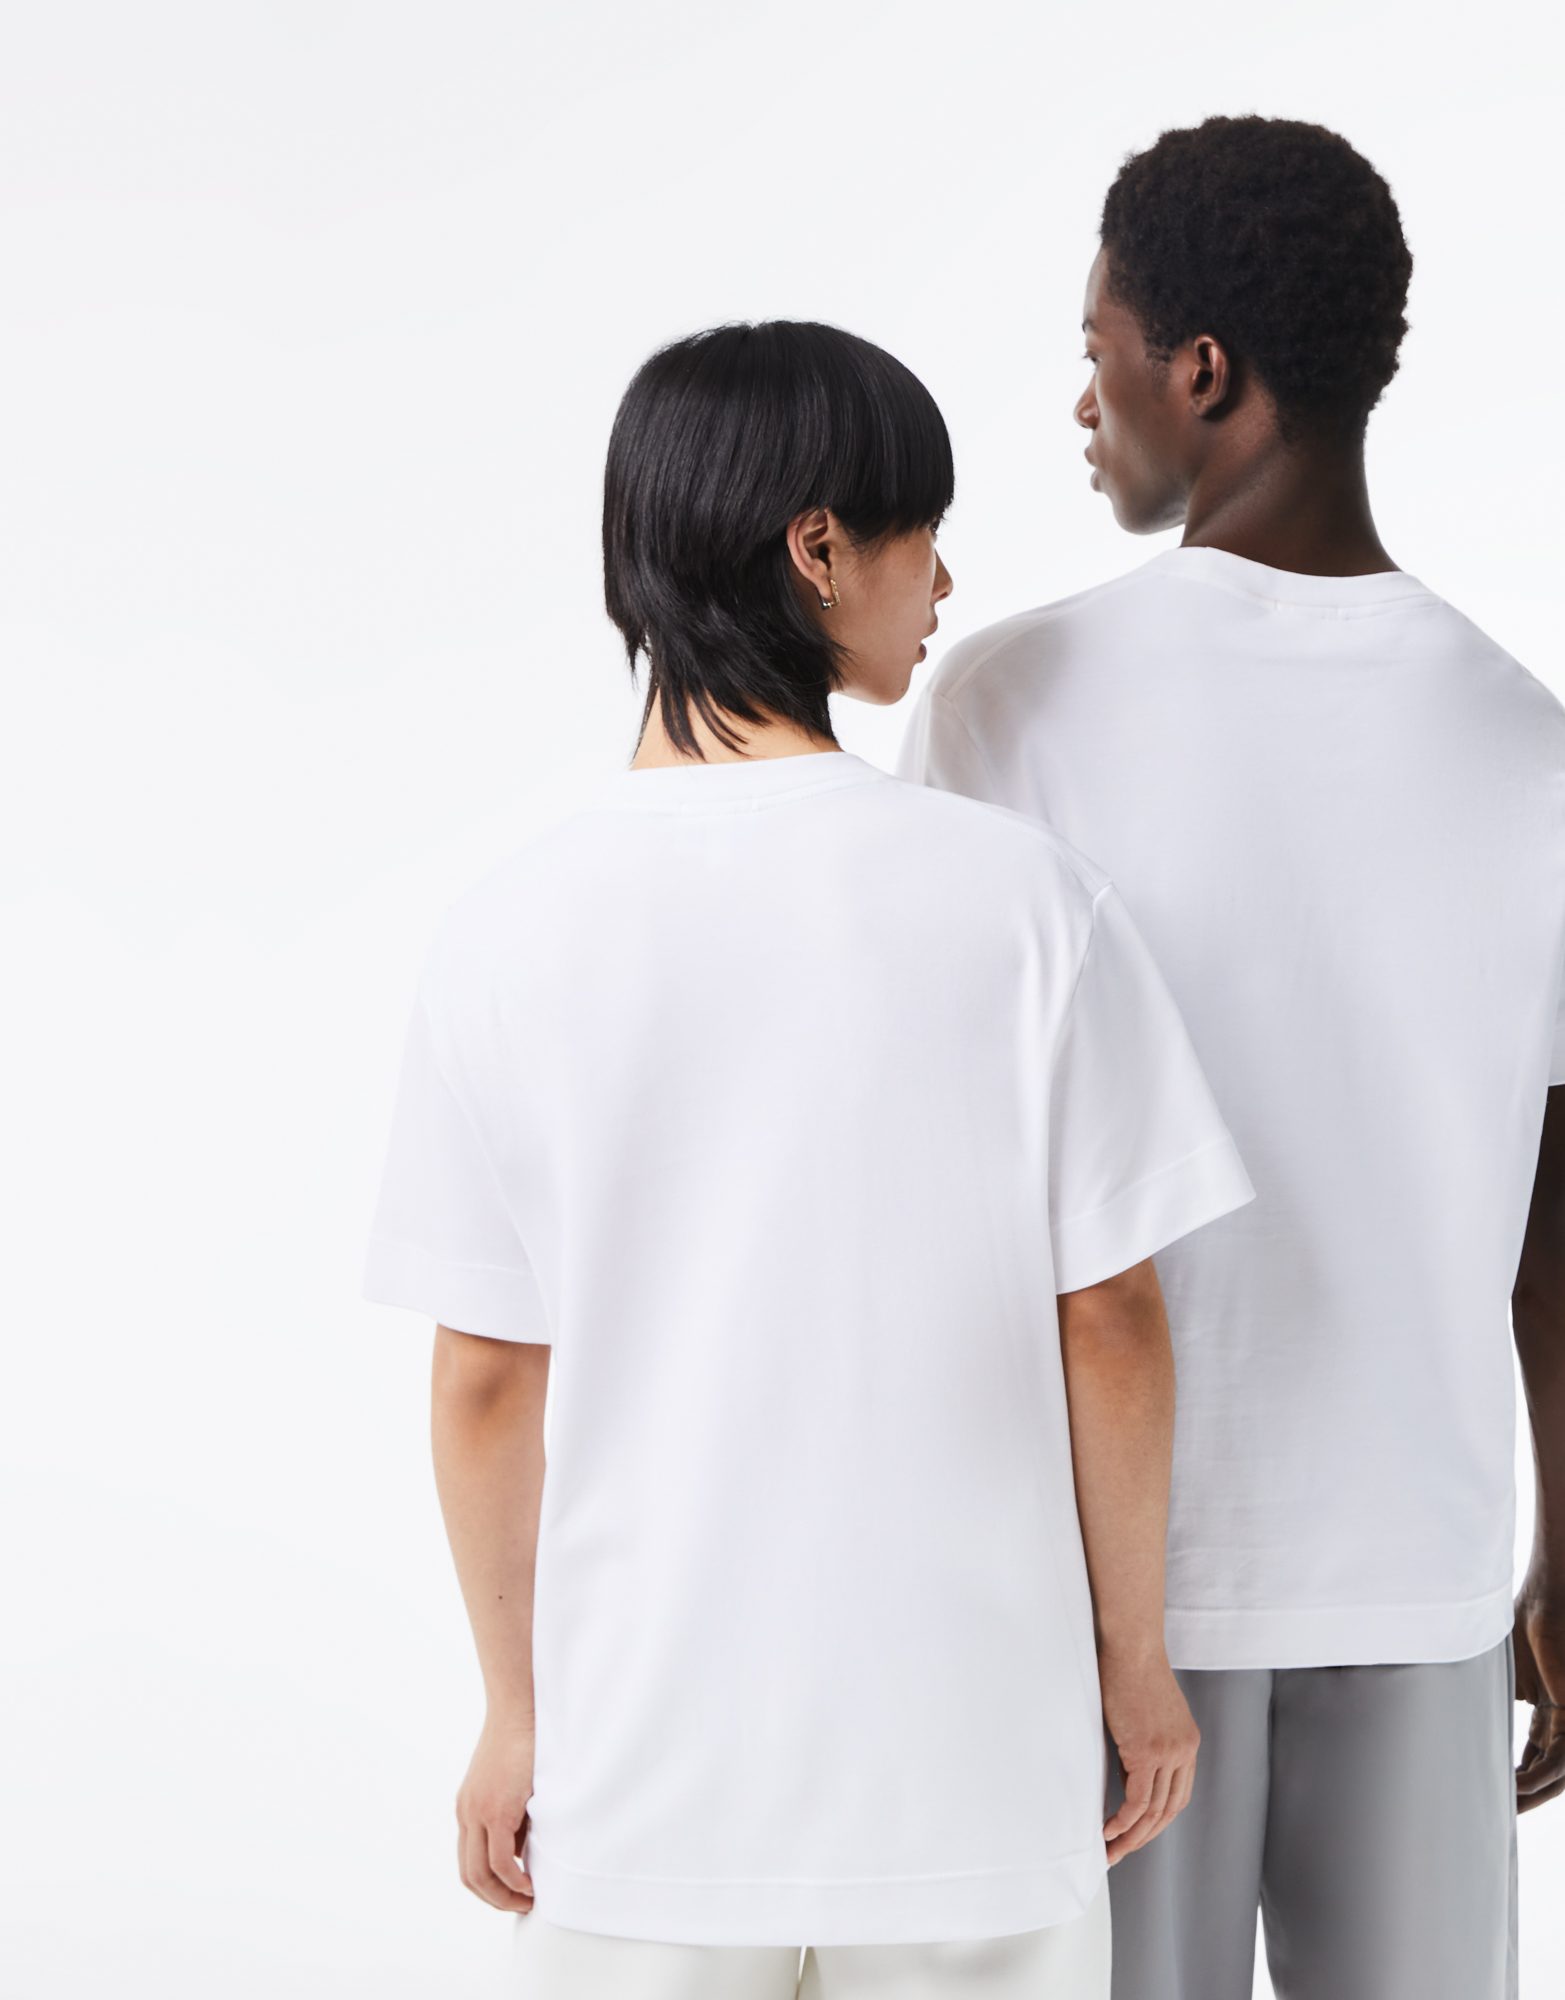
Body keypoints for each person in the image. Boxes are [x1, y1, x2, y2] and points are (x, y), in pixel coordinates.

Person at [364, 320, 1256, 2000]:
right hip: (973, 1769)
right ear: (821, 550)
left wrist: (516, 1712)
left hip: (642, 1788)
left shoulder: (506, 933)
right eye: (923, 531)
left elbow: (486, 1378)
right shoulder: (1026, 905)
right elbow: (1113, 1320)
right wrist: (1135, 1667)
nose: (945, 580)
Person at [899, 118, 1565, 1999]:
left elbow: (951, 1186)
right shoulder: (1529, 741)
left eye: (1101, 353)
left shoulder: (1010, 702)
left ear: (1203, 371)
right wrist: (1564, 1581)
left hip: (1112, 1598)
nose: (1084, 405)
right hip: (1429, 1574)